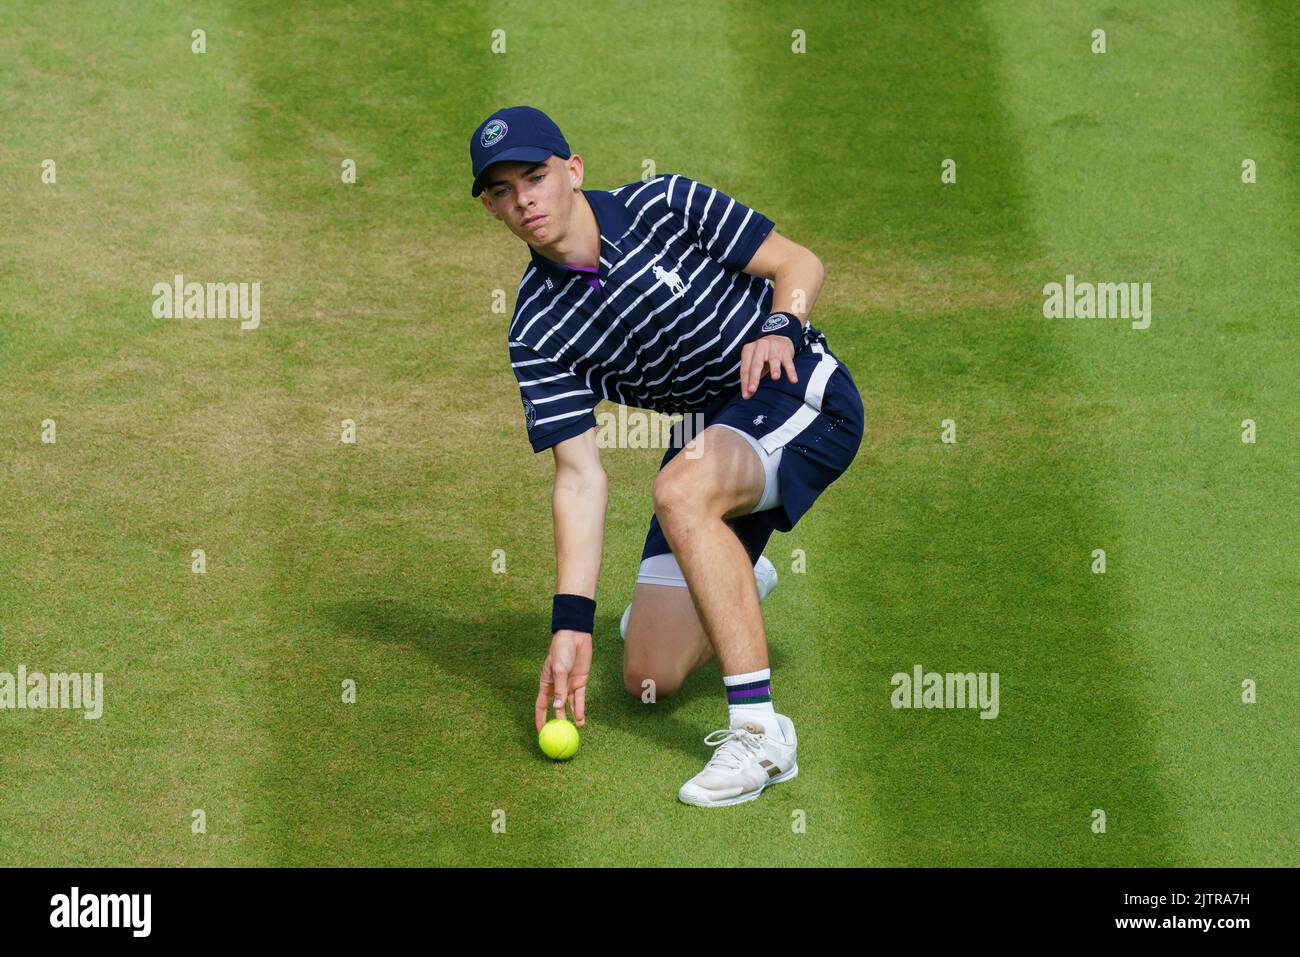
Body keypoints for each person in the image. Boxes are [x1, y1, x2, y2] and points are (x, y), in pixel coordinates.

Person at [471, 105, 864, 806]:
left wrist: (781, 325)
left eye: (535, 176)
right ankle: (734, 570)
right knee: (648, 675)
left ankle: (761, 735)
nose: (524, 200)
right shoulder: (536, 328)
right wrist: (569, 624)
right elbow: (580, 478)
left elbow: (798, 261)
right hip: (705, 435)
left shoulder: (665, 204)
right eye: (502, 191)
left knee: (682, 493)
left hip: (796, 392)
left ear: (573, 170)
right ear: (490, 207)